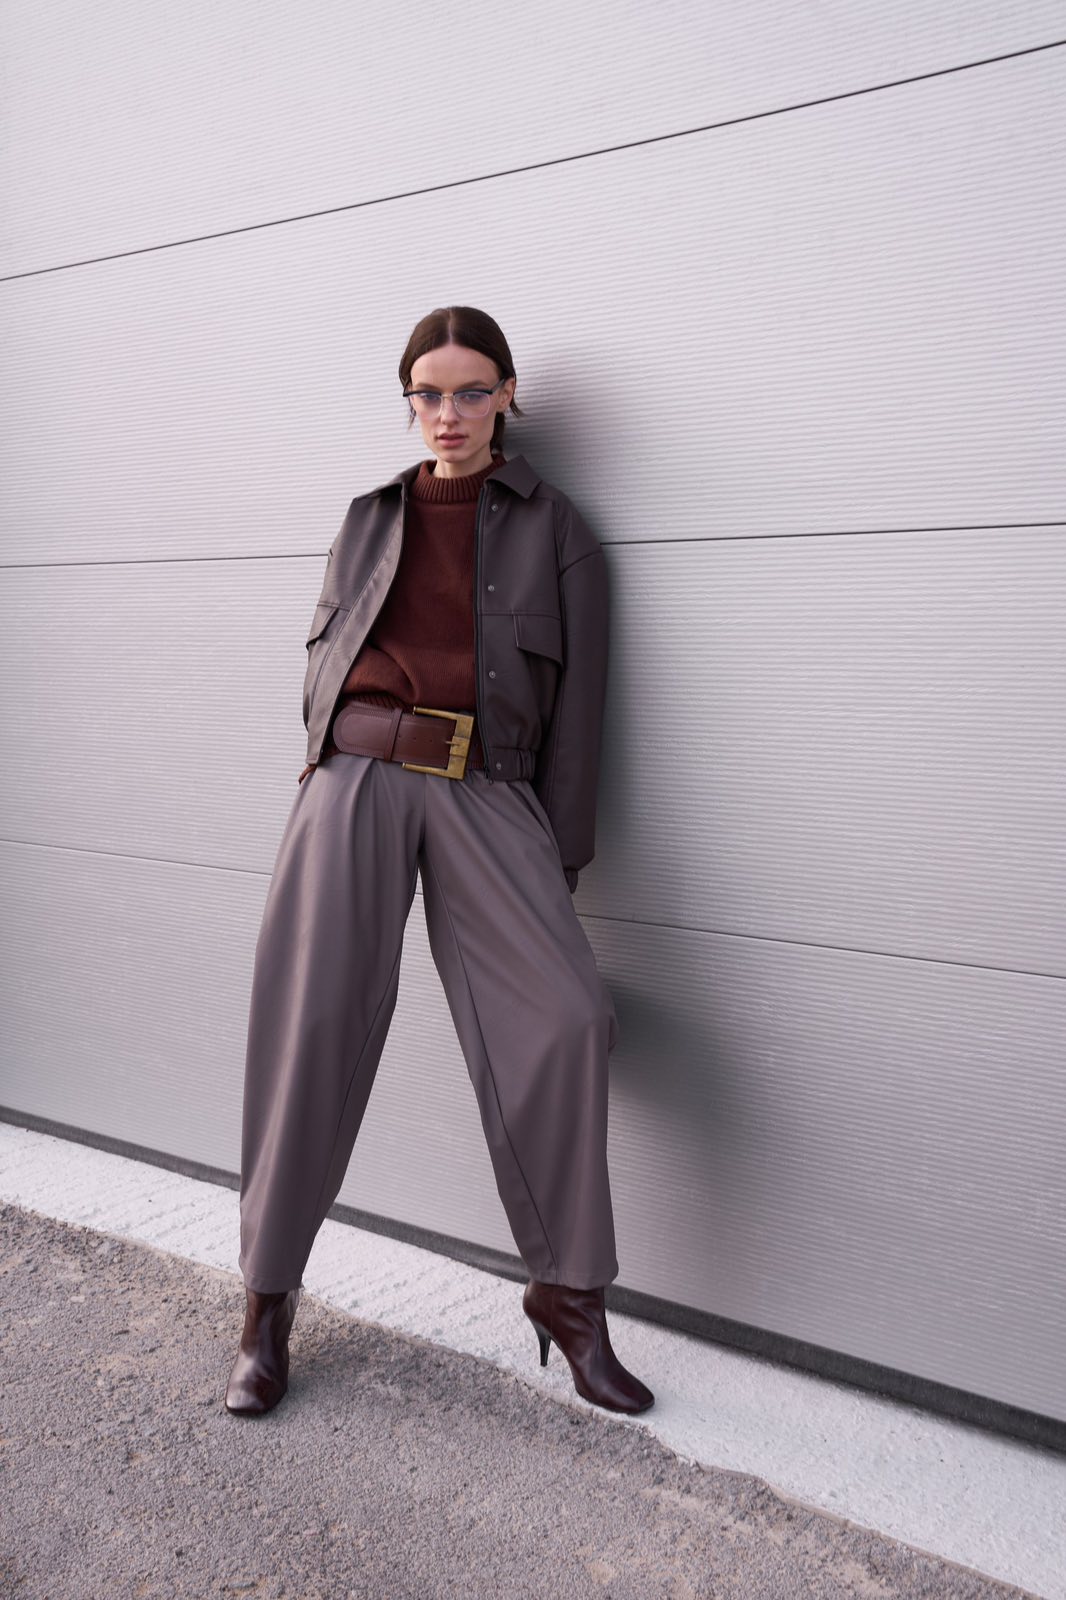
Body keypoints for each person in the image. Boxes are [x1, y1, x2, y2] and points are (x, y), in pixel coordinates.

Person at [224, 305, 654, 1419]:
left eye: (471, 391)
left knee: (567, 1018)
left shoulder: (558, 529)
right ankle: (266, 1303)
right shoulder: (369, 516)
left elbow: (581, 715)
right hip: (354, 778)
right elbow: (325, 654)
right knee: (310, 1026)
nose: (449, 413)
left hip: (489, 788)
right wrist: (321, 769)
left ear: (508, 395)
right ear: (408, 400)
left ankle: (568, 1296)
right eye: (429, 393)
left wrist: (558, 858)